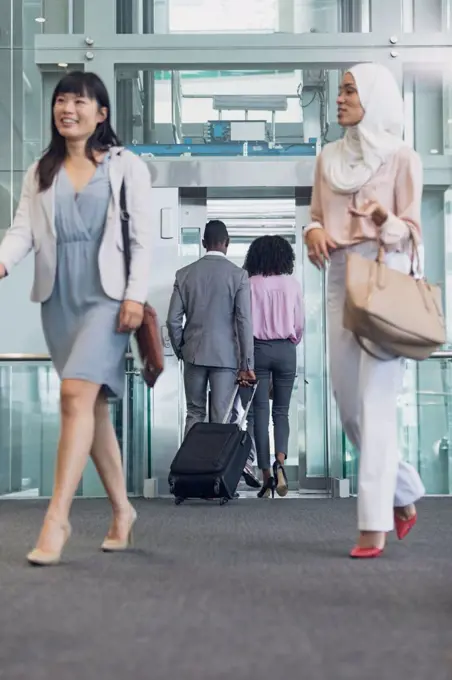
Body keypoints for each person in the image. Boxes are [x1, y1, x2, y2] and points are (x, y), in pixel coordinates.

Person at [0, 71, 152, 565]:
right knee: (92, 409)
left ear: (101, 113)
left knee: (73, 396)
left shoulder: (128, 167)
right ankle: (123, 511)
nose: (67, 109)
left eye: (79, 102)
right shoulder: (41, 169)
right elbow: (23, 229)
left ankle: (56, 519)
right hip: (59, 296)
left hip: (108, 298)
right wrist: (3, 259)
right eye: (60, 101)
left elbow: (140, 241)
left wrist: (134, 295)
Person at [305, 62, 425, 558]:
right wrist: (313, 233)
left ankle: (372, 524)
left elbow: (413, 233)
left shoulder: (401, 157)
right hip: (338, 278)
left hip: (384, 270)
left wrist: (383, 218)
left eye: (350, 91)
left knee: (376, 406)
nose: (340, 99)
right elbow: (314, 217)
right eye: (340, 91)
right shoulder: (328, 158)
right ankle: (403, 491)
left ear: (374, 97)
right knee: (348, 406)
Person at [167, 220, 259, 489]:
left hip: (194, 355)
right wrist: (247, 364)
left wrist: (182, 349)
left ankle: (185, 478)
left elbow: (173, 320)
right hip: (226, 360)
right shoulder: (238, 276)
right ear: (227, 243)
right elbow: (244, 322)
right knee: (220, 419)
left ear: (204, 243)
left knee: (194, 414)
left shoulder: (184, 274)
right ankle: (214, 480)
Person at [243, 235, 304, 498]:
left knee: (258, 412)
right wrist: (291, 341)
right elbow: (299, 323)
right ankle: (281, 462)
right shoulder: (292, 284)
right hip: (286, 350)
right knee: (281, 411)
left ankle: (266, 473)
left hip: (258, 350)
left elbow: (243, 322)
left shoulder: (250, 284)